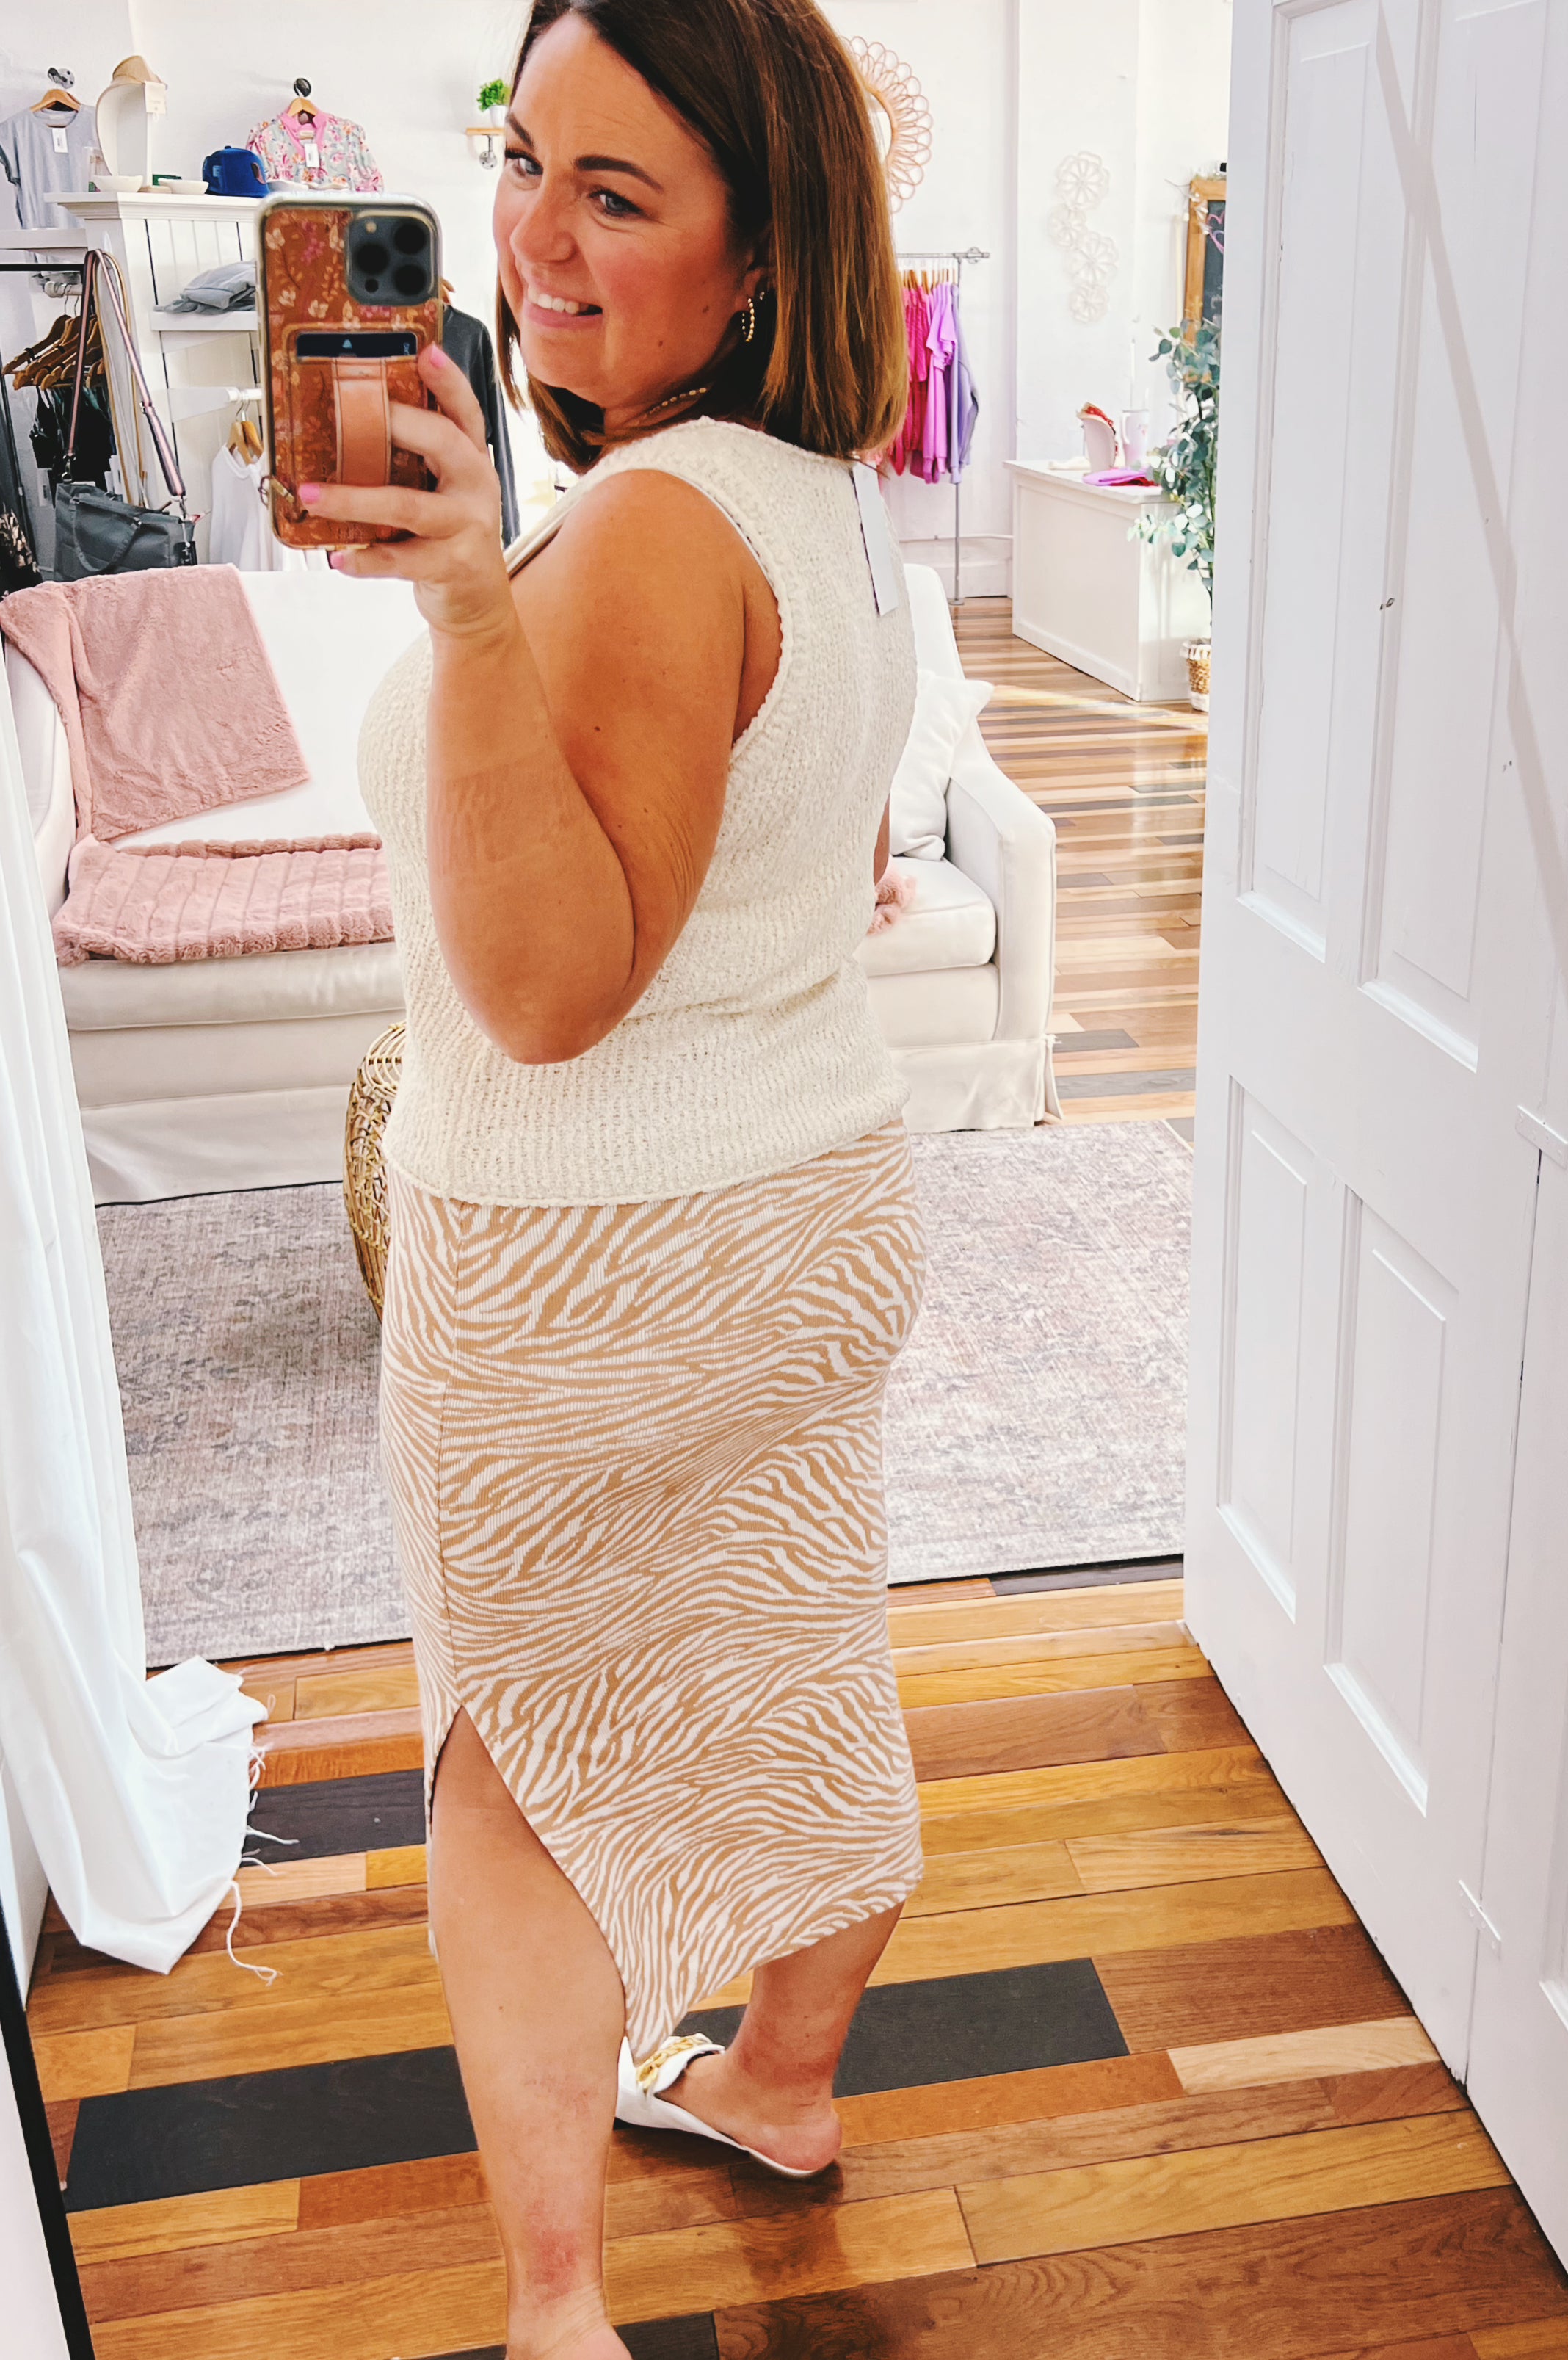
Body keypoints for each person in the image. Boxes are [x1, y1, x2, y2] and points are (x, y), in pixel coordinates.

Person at [308, 3, 921, 2352]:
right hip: (807, 1211)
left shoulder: (653, 530)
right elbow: (810, 841)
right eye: (523, 158)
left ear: (762, 256)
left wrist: (474, 610)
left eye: (617, 192)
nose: (532, 238)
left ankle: (556, 2308)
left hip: (586, 1262)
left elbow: (551, 993)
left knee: (520, 1774)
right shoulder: (817, 493)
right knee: (795, 1649)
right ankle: (778, 2084)